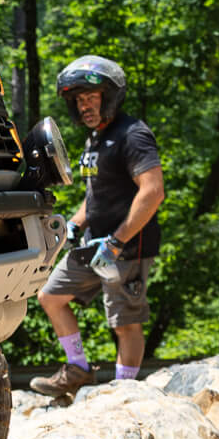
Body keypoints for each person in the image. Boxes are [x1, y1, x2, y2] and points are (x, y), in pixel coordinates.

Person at [29, 55, 166, 401]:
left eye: (91, 98)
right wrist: (74, 225)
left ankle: (124, 394)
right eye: (78, 100)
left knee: (125, 323)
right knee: (50, 296)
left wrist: (118, 241)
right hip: (94, 245)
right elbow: (96, 197)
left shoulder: (132, 135)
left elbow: (153, 191)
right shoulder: (94, 139)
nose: (84, 106)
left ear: (111, 96)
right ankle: (77, 369)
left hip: (126, 247)